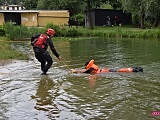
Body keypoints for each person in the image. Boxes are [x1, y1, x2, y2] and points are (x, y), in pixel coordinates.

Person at [71, 59, 143, 74]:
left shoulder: (90, 69)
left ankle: (134, 70)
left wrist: (74, 71)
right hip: (106, 70)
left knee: (118, 71)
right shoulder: (92, 67)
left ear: (87, 66)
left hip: (107, 71)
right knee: (118, 70)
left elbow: (83, 72)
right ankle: (133, 69)